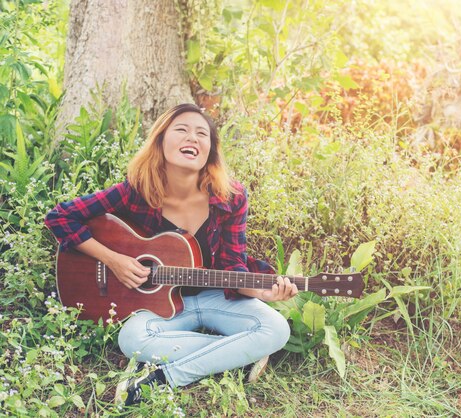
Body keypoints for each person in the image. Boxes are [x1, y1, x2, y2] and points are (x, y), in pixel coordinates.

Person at [44, 103, 298, 406]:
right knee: (132, 340)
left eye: (202, 134)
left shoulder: (231, 197)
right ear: (161, 140)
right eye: (182, 129)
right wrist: (113, 259)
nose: (192, 137)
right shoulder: (135, 191)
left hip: (214, 297)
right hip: (158, 305)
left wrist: (262, 291)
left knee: (277, 328)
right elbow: (59, 218)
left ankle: (166, 378)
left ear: (210, 152)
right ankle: (237, 354)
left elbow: (233, 264)